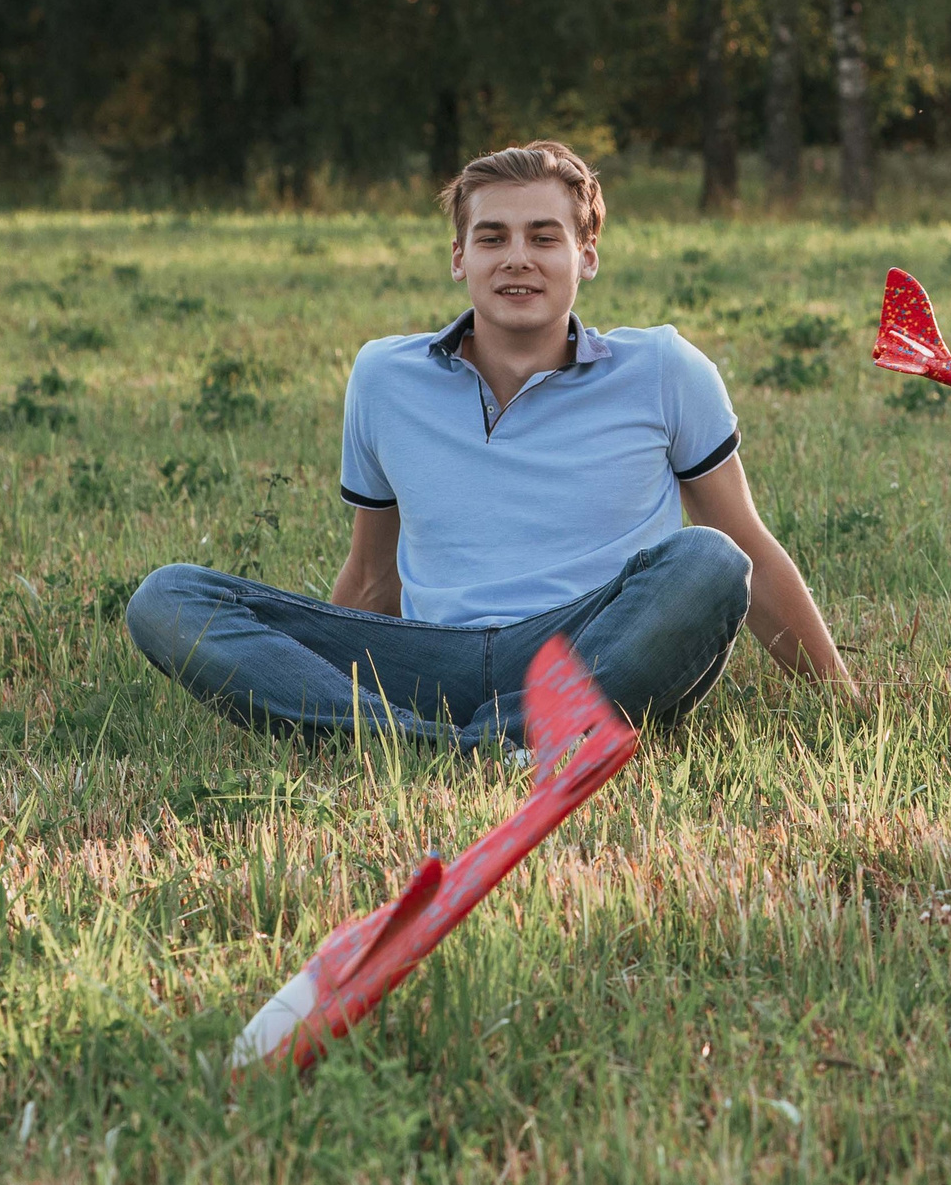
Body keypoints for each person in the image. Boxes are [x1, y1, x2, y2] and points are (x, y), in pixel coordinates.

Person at [126, 141, 857, 749]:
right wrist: (316, 664)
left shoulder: (664, 368)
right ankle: (448, 742)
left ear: (586, 256)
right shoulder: (383, 376)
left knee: (710, 561)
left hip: (585, 645)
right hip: (430, 657)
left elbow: (748, 550)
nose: (518, 258)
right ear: (458, 258)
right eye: (493, 238)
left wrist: (843, 701)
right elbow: (373, 578)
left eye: (544, 237)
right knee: (170, 596)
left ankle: (470, 738)